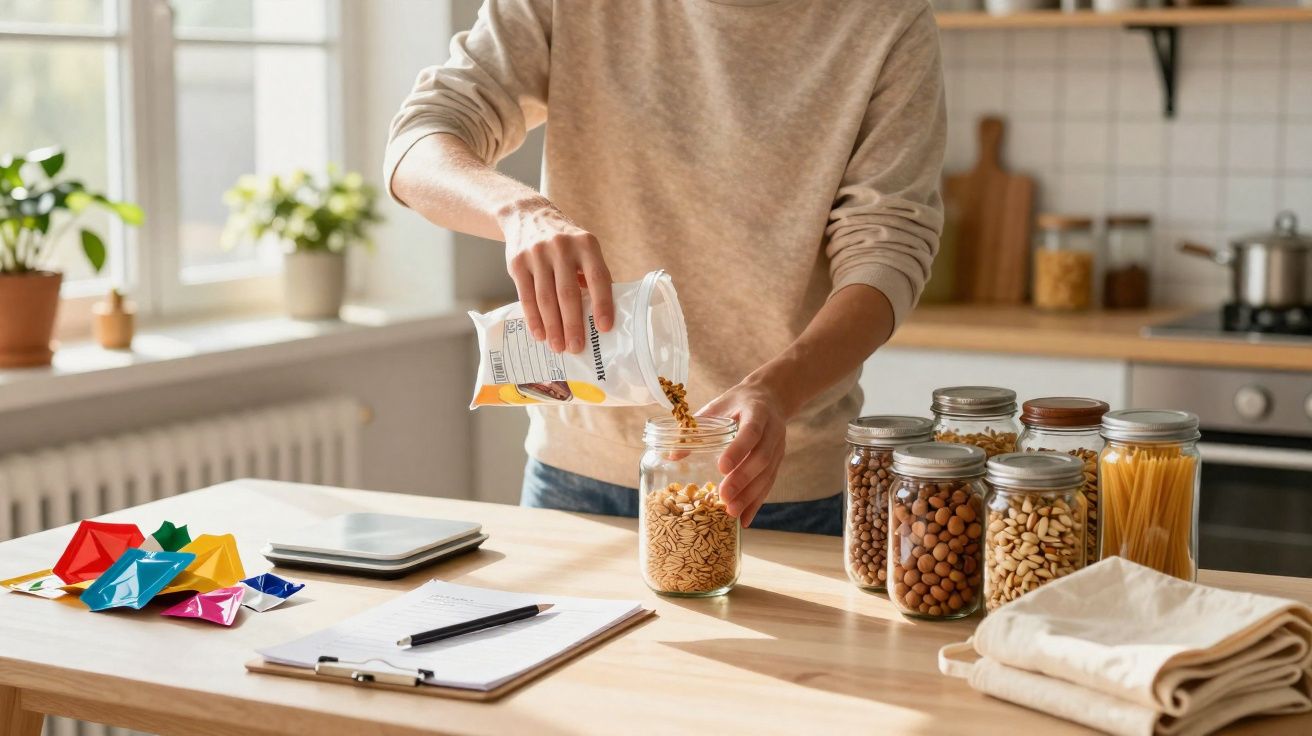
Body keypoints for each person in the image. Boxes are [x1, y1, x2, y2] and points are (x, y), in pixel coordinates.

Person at [385, 0, 945, 535]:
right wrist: (520, 212)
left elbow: (888, 246)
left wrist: (778, 390)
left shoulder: (888, 17)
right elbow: (419, 140)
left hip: (774, 481)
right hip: (577, 476)